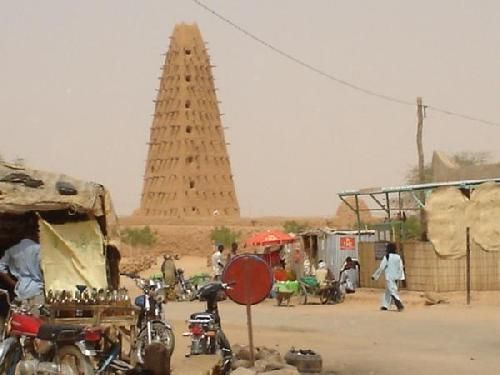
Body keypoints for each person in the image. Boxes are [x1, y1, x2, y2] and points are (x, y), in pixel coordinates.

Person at [0, 237, 44, 309]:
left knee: (21, 317)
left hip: (21, 290)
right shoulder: (40, 249)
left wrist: (13, 283)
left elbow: (0, 267)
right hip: (38, 290)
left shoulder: (13, 250)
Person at [371, 242, 405, 311]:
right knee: (388, 291)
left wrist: (375, 276)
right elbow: (401, 267)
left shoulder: (387, 257)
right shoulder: (398, 257)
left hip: (389, 277)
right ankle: (385, 305)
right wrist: (401, 277)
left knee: (393, 291)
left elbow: (381, 267)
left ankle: (399, 303)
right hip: (396, 277)